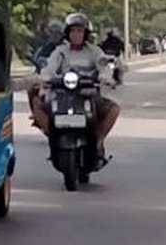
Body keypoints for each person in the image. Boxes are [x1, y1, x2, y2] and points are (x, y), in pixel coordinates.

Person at [35, 12, 120, 168]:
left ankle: (98, 142)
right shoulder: (60, 52)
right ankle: (53, 137)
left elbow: (104, 67)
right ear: (67, 33)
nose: (76, 34)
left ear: (85, 33)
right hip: (63, 95)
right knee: (38, 107)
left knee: (113, 109)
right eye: (73, 31)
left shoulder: (95, 51)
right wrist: (45, 81)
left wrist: (106, 78)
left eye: (80, 31)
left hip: (88, 95)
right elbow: (49, 69)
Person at [26, 20, 65, 128]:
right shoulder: (44, 49)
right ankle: (36, 115)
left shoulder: (67, 47)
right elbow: (36, 59)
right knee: (32, 89)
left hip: (66, 79)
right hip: (48, 79)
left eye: (57, 32)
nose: (54, 35)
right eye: (52, 32)